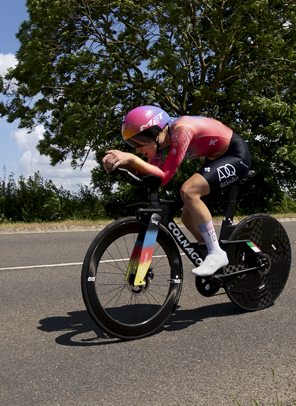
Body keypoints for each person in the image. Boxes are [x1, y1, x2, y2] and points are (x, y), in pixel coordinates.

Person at [102, 105, 251, 277]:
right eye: (131, 143)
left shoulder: (182, 130)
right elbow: (154, 175)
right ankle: (217, 254)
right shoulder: (160, 142)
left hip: (235, 155)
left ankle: (216, 253)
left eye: (138, 141)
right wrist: (124, 165)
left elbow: (164, 176)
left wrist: (132, 159)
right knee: (187, 217)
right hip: (214, 159)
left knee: (188, 191)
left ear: (154, 134)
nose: (136, 149)